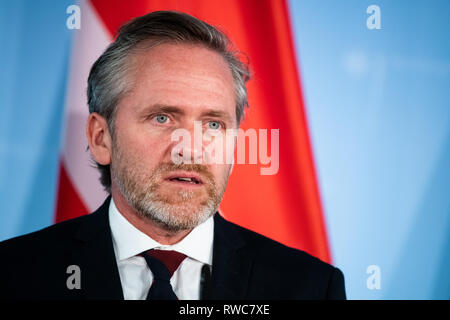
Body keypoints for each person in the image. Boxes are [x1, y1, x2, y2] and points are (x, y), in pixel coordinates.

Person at [0, 11, 346, 300]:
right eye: (162, 118)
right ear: (101, 138)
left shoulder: (309, 287)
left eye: (213, 124)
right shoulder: (15, 275)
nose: (190, 148)